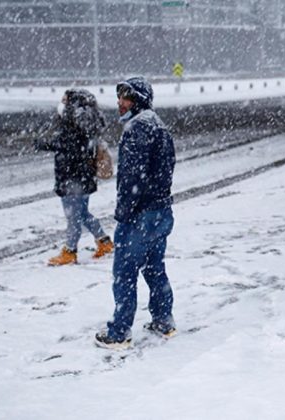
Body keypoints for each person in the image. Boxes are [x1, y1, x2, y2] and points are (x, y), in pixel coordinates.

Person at [95, 77, 177, 349]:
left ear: (139, 100)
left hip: (140, 215)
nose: (120, 102)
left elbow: (132, 178)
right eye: (119, 97)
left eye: (126, 98)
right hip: (161, 211)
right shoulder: (159, 125)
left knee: (125, 272)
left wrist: (125, 213)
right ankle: (164, 320)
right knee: (155, 268)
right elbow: (165, 171)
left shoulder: (137, 128)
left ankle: (119, 333)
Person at [34, 88, 113, 266]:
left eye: (65, 100)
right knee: (82, 213)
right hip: (84, 177)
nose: (62, 103)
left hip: (72, 179)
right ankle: (104, 242)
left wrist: (44, 144)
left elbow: (67, 146)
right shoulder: (88, 121)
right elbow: (76, 147)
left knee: (73, 217)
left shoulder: (71, 123)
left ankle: (70, 251)